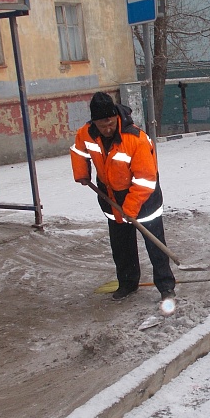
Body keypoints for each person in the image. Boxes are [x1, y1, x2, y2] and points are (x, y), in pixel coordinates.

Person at [70, 92, 176, 302]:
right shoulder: (87, 133)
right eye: (102, 125)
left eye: (110, 123)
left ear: (116, 118)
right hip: (110, 195)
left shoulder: (135, 139)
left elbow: (146, 179)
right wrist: (81, 172)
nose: (107, 128)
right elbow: (79, 150)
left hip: (144, 197)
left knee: (154, 244)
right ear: (95, 122)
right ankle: (127, 283)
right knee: (121, 245)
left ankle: (165, 286)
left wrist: (130, 206)